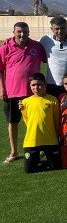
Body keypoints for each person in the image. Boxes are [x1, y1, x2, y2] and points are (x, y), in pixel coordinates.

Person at [0, 22, 46, 164]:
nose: (22, 34)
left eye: (25, 31)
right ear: (13, 32)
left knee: (34, 122)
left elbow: (49, 59)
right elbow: (0, 70)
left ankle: (36, 149)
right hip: (12, 92)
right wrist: (2, 89)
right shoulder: (5, 47)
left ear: (28, 32)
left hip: (33, 93)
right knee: (13, 122)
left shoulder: (37, 46)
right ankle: (14, 152)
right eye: (19, 31)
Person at [19, 73, 61, 173]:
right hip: (32, 140)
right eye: (33, 85)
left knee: (56, 166)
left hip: (50, 140)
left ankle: (44, 158)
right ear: (30, 86)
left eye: (39, 84)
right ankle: (36, 158)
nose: (36, 87)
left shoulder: (53, 100)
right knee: (29, 170)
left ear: (45, 84)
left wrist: (57, 136)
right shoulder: (25, 102)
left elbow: (56, 120)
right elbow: (27, 121)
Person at [40, 16, 67, 97]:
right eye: (56, 29)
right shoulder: (45, 40)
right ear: (51, 29)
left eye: (62, 28)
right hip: (52, 84)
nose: (60, 31)